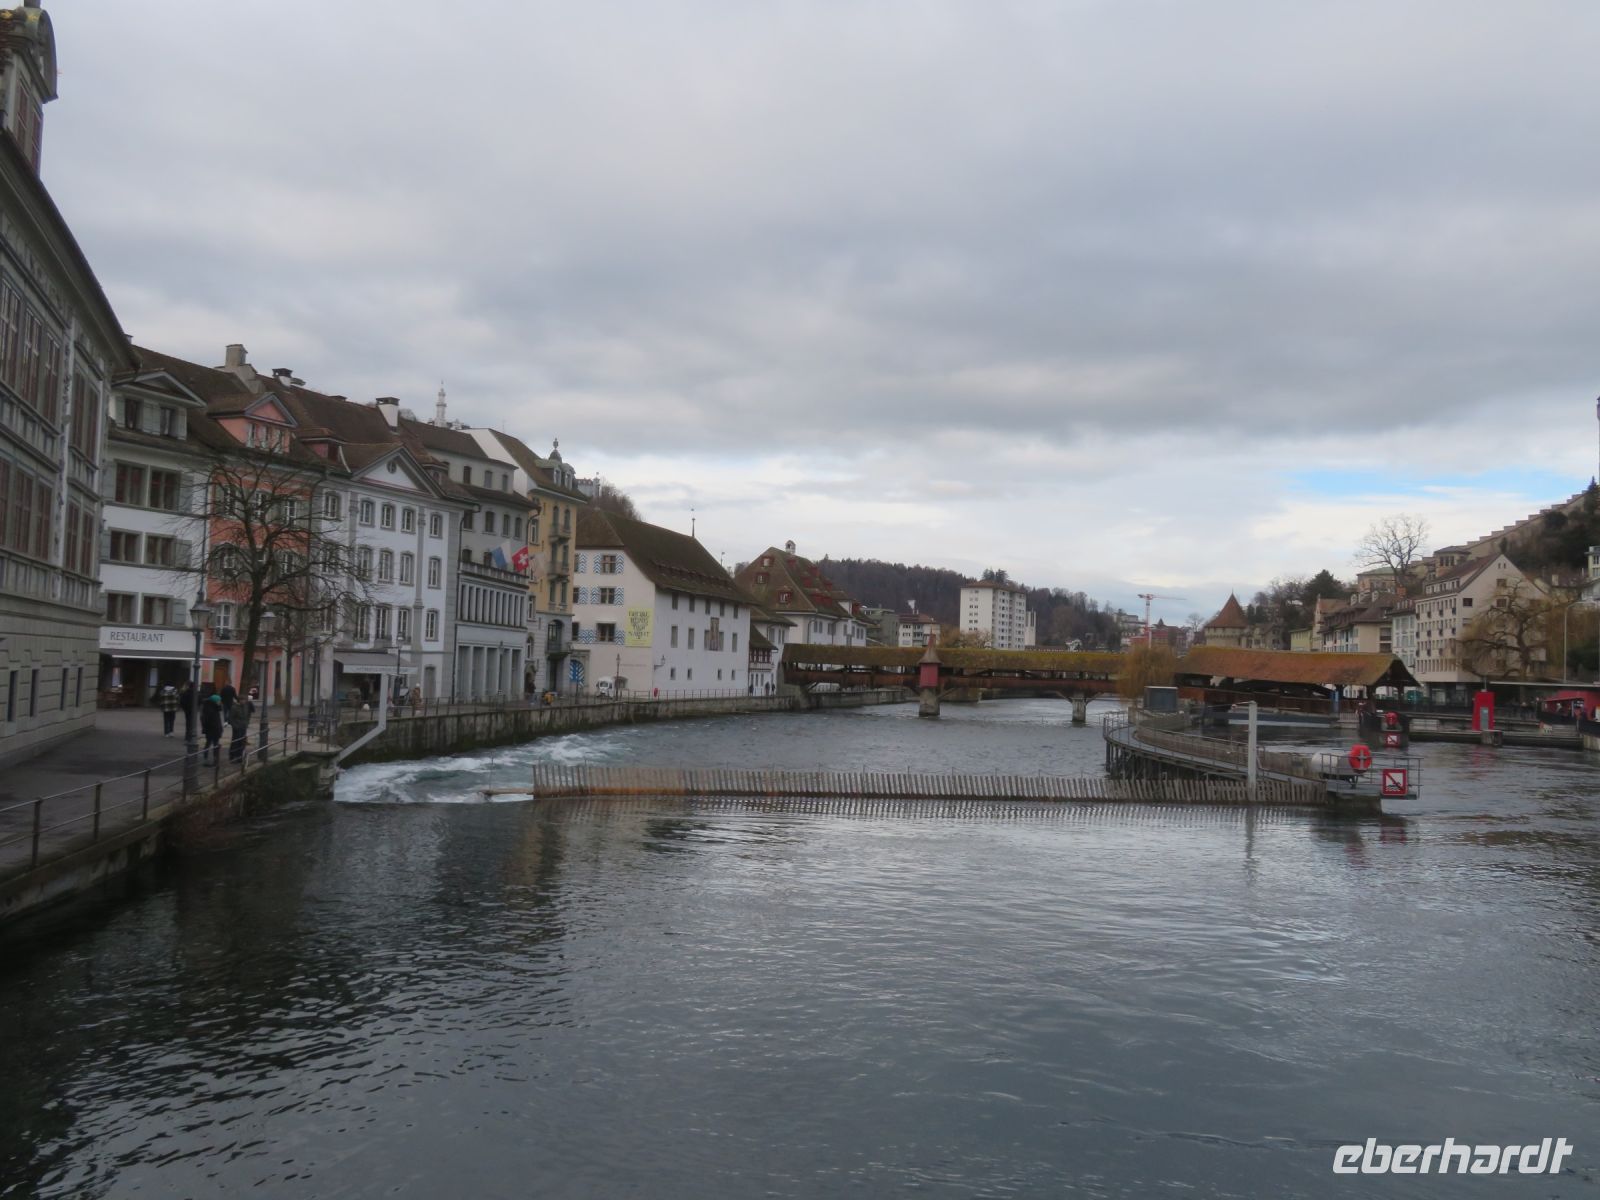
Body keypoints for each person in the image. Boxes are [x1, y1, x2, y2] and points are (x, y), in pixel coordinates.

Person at [199, 685, 224, 765]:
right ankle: (209, 759)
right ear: (215, 701)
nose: (220, 703)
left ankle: (214, 759)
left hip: (215, 729)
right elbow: (207, 721)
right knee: (210, 744)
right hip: (212, 730)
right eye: (219, 701)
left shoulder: (213, 708)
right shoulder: (210, 710)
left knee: (212, 744)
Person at [228, 691, 255, 762]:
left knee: (242, 742)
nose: (243, 701)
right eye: (242, 700)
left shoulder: (246, 706)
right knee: (235, 742)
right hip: (237, 727)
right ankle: (233, 756)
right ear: (239, 700)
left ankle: (240, 756)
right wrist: (235, 726)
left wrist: (247, 723)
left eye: (244, 700)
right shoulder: (235, 707)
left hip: (243, 726)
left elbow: (252, 711)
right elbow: (230, 718)